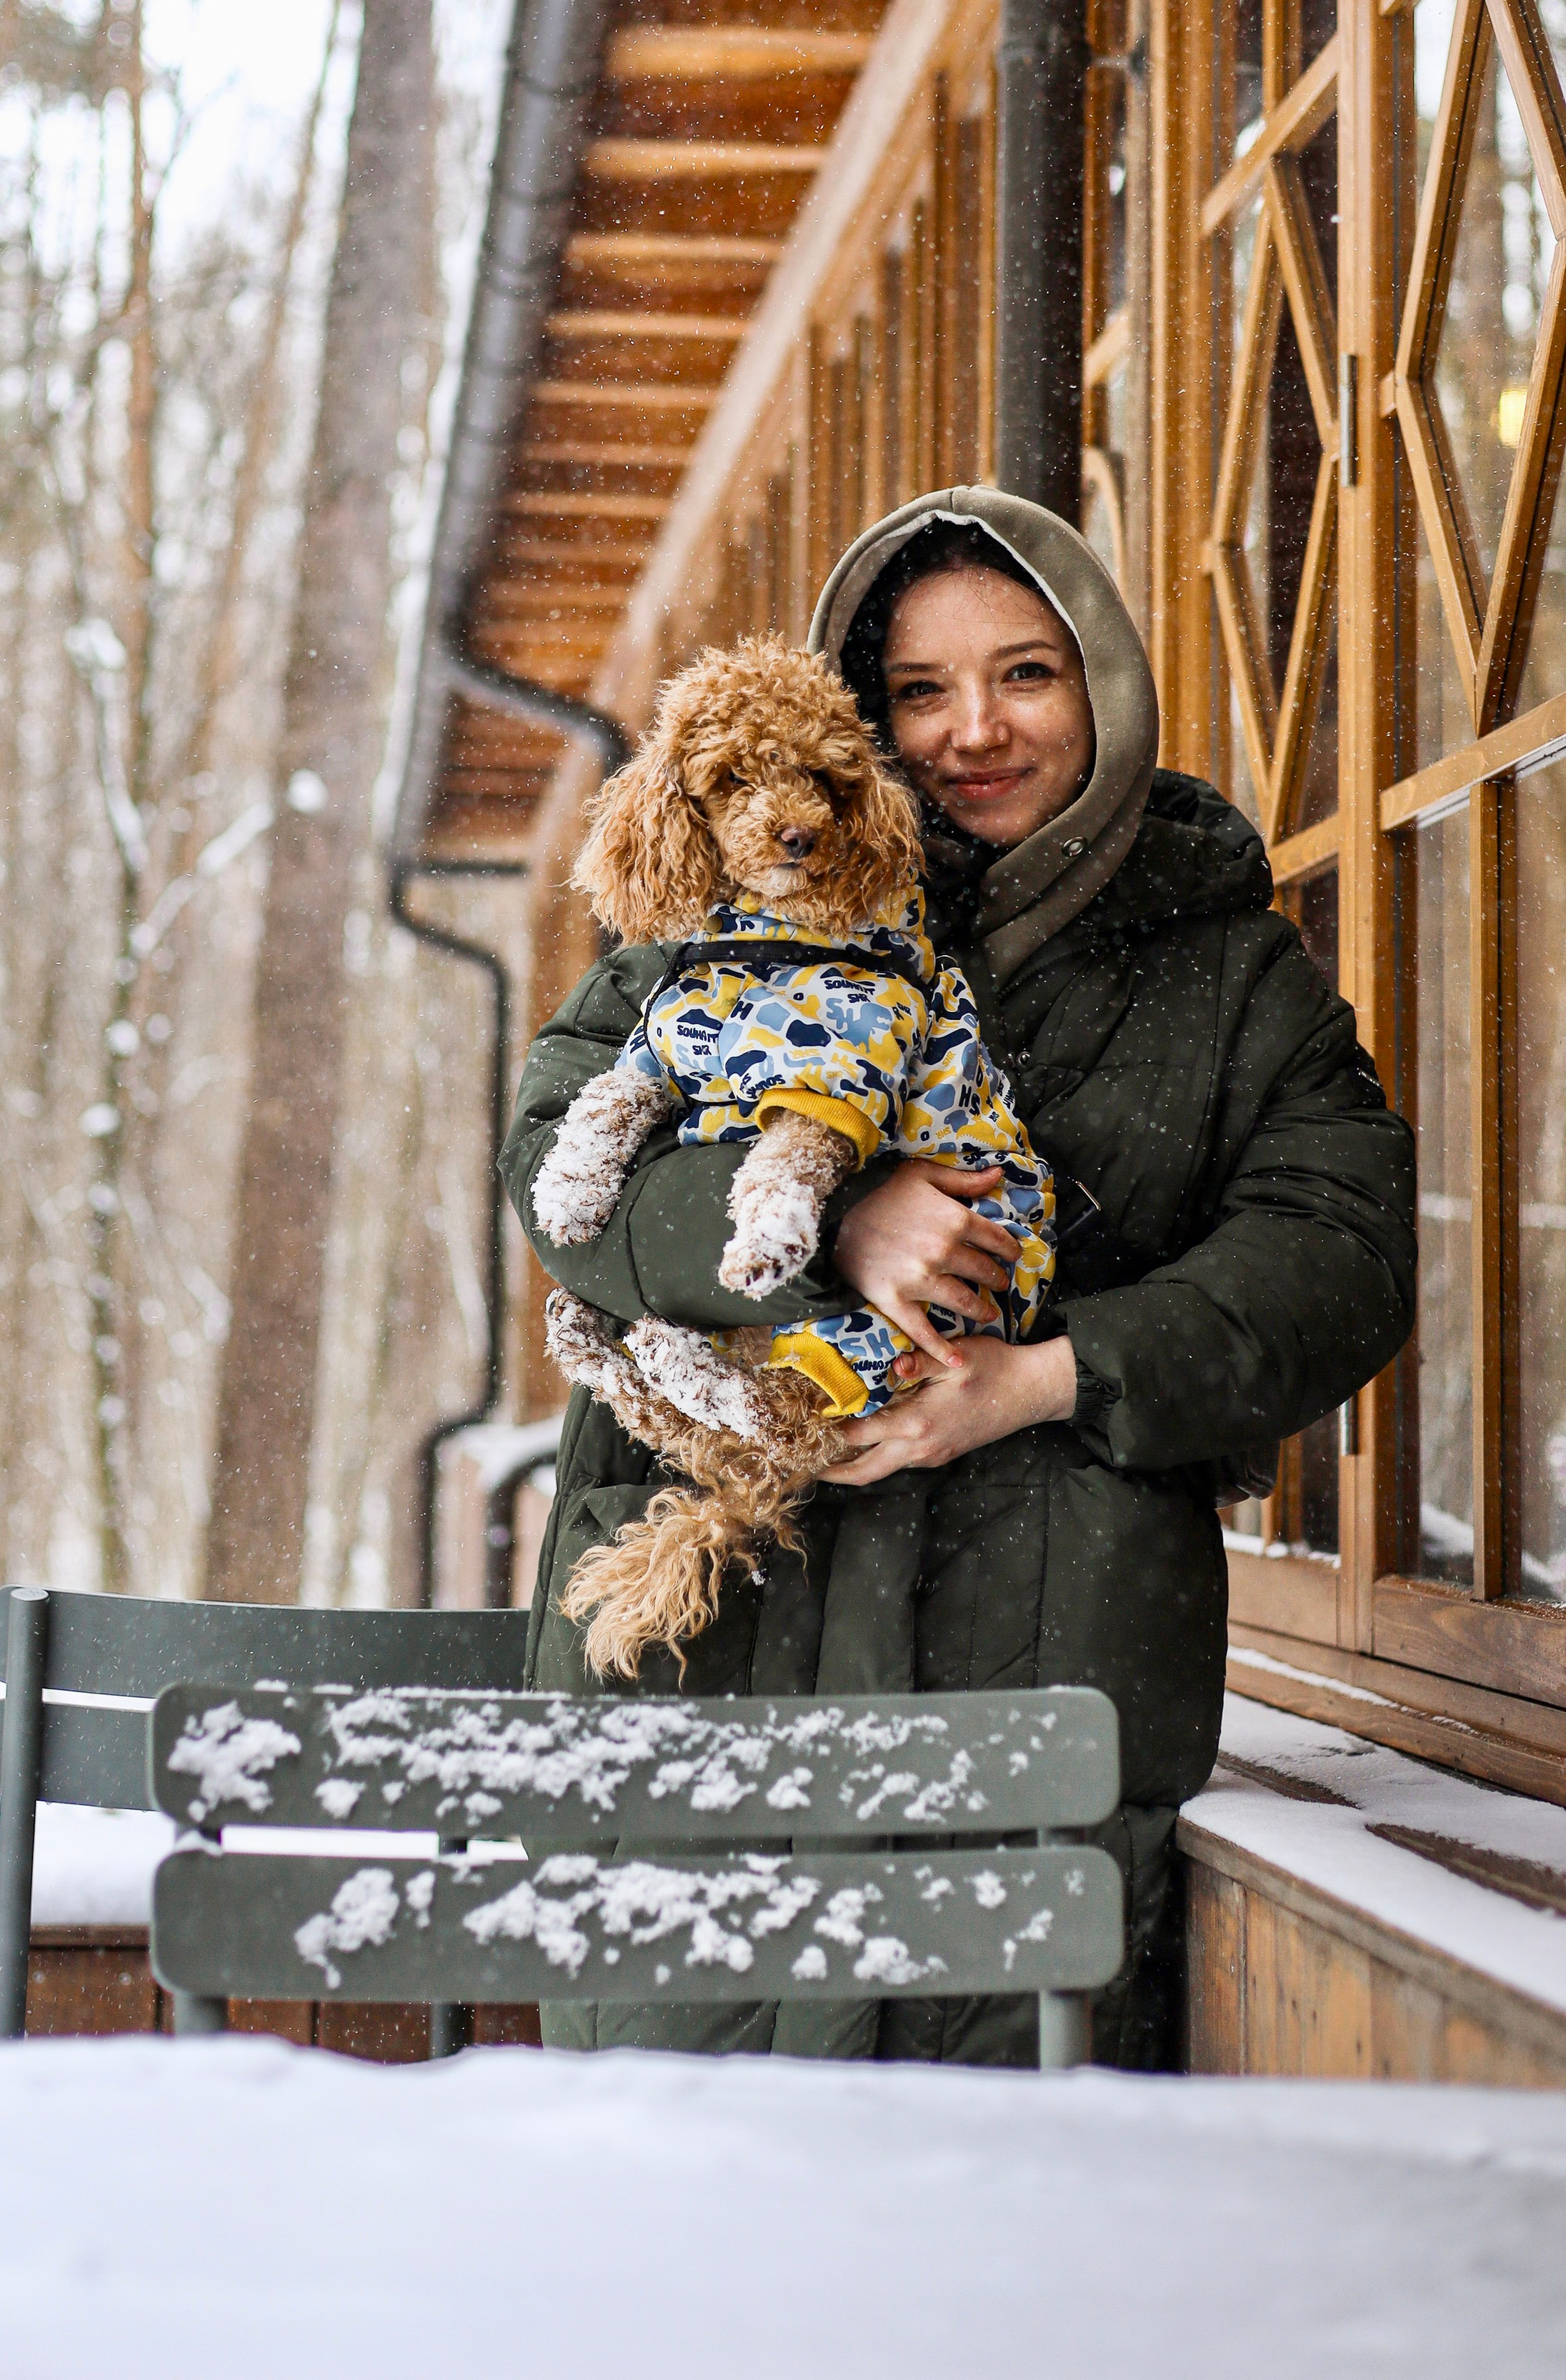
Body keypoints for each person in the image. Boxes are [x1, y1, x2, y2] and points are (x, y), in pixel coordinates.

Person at [500, 485, 1417, 2066]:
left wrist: (1039, 1381)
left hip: (1045, 1638)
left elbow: (1339, 1251)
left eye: (1024, 674)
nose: (970, 731)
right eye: (915, 692)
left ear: (1102, 687)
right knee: (674, 2152)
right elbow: (557, 1173)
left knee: (994, 2172)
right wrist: (828, 1221)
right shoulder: (711, 912)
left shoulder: (1223, 962)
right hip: (717, 1632)